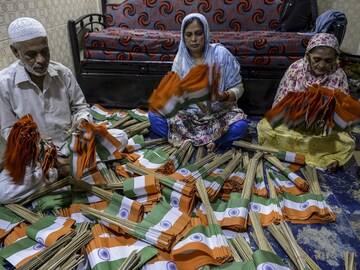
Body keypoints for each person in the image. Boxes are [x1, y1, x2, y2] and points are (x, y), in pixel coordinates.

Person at [0, 17, 94, 204]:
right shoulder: (4, 84)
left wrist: (82, 122)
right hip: (34, 157)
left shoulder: (63, 73)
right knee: (3, 192)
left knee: (118, 137)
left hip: (71, 145)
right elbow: (8, 130)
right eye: (31, 54)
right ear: (15, 52)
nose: (41, 60)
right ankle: (61, 172)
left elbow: (80, 107)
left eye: (45, 51)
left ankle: (63, 172)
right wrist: (40, 149)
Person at [149, 13, 248, 152]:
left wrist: (222, 96)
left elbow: (239, 87)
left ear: (206, 33)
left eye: (198, 33)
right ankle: (210, 141)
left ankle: (194, 141)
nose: (194, 39)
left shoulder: (221, 54)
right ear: (183, 37)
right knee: (154, 114)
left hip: (218, 115)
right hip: (189, 117)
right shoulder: (181, 59)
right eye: (188, 35)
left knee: (240, 126)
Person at [257, 33, 355, 172]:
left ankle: (326, 156)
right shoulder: (295, 70)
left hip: (323, 129)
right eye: (317, 59)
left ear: (335, 59)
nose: (322, 65)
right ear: (308, 55)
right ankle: (321, 157)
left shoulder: (339, 75)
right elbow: (280, 105)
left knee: (344, 142)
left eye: (328, 61)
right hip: (294, 125)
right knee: (265, 128)